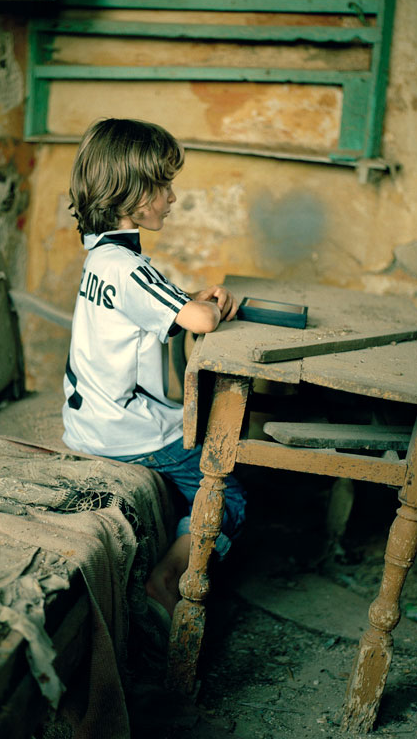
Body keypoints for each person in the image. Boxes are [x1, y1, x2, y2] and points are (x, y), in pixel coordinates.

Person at [61, 117, 247, 617]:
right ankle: (166, 581)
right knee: (227, 492)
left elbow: (152, 308)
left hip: (87, 420)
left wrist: (188, 299)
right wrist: (208, 305)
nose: (172, 197)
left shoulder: (100, 257)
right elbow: (202, 321)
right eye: (164, 185)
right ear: (136, 195)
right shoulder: (132, 267)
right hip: (123, 429)